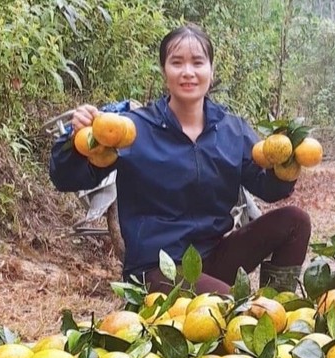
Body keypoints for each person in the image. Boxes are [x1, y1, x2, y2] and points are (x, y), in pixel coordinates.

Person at [49, 24, 311, 295]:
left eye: (197, 62)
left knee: (295, 221)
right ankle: (251, 316)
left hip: (212, 258)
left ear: (211, 71)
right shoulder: (132, 129)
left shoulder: (232, 130)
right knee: (235, 307)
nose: (188, 72)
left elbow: (267, 188)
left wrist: (286, 165)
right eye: (177, 63)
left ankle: (281, 313)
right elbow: (65, 177)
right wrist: (77, 143)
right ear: (165, 71)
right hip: (156, 268)